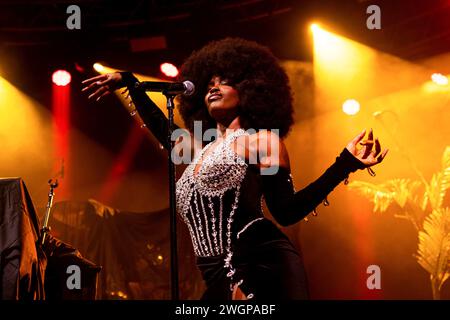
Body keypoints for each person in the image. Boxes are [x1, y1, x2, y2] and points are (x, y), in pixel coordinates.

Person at [82, 37, 388, 300]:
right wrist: (129, 83)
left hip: (262, 265)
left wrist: (343, 164)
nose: (213, 88)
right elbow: (163, 128)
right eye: (209, 85)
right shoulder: (198, 150)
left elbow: (286, 210)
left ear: (249, 90)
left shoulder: (261, 142)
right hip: (215, 278)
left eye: (224, 82)